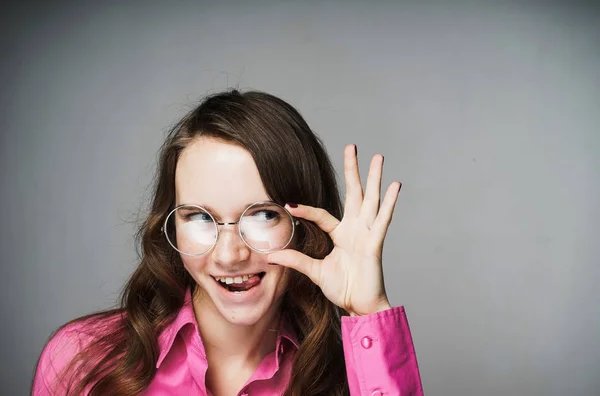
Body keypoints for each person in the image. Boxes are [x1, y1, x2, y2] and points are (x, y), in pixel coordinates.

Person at [32, 89, 423, 395]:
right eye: (200, 217)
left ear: (305, 227)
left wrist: (369, 311)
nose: (229, 254)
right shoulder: (83, 360)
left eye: (263, 214)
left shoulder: (352, 375)